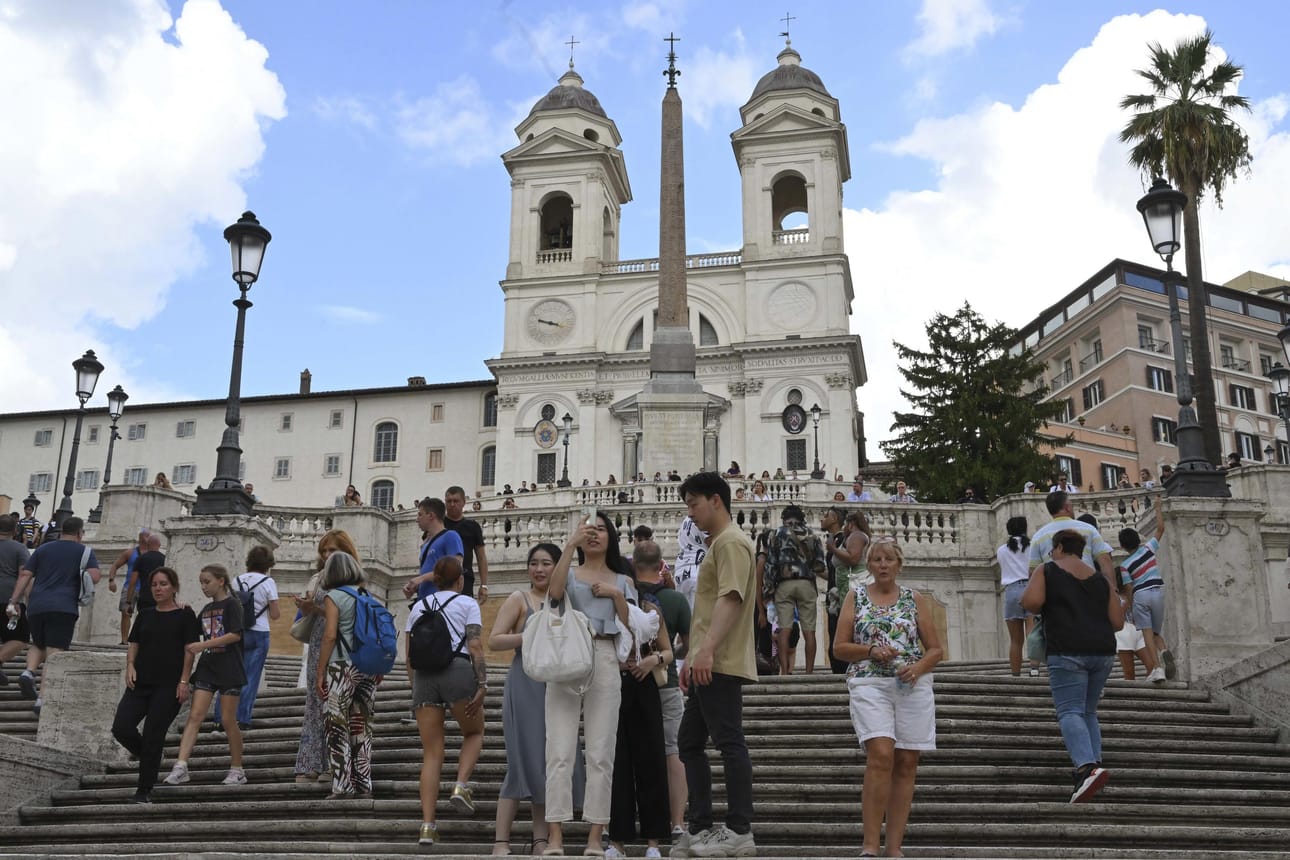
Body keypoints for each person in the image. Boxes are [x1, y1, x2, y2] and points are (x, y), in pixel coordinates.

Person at [834, 536, 943, 858]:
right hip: (869, 680)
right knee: (881, 753)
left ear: (899, 564)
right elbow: (839, 647)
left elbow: (936, 649)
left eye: (888, 559)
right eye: (877, 559)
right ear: (868, 565)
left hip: (911, 683)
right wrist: (870, 650)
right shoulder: (856, 597)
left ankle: (894, 847)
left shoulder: (915, 599)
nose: (883, 565)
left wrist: (918, 666)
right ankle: (870, 845)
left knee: (908, 761)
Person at [674, 471, 757, 858]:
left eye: (693, 504)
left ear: (716, 501)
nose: (690, 513)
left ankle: (740, 829)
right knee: (689, 742)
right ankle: (702, 826)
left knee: (728, 742)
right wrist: (694, 655)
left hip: (719, 661)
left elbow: (731, 598)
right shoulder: (722, 543)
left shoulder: (731, 543)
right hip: (707, 659)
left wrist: (705, 651)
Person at [544, 510, 636, 857]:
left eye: (601, 530)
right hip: (567, 657)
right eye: (589, 530)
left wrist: (616, 595)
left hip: (605, 654)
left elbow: (632, 627)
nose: (594, 534)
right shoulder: (568, 573)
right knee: (559, 750)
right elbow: (553, 594)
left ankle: (596, 837)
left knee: (601, 753)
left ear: (611, 537)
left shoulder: (622, 581)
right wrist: (569, 545)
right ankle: (555, 837)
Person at [488, 543, 583, 857]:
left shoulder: (566, 600)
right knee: (519, 763)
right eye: (534, 563)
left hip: (556, 685)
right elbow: (495, 639)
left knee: (548, 763)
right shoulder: (520, 599)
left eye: (546, 564)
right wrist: (532, 634)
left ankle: (540, 840)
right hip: (525, 683)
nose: (539, 570)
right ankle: (501, 841)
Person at [1021, 529, 1123, 803]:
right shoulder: (1100, 579)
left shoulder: (1047, 570)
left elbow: (1029, 602)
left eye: (1054, 549)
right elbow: (1118, 622)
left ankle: (1087, 768)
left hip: (1067, 648)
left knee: (1069, 711)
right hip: (1102, 651)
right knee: (1088, 711)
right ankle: (1094, 764)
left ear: (1059, 547)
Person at [409, 556, 487, 846]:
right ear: (460, 580)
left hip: (423, 678)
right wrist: (483, 682)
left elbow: (409, 653)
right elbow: (475, 644)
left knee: (431, 754)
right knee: (475, 731)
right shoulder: (467, 604)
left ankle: (427, 826)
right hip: (457, 670)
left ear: (436, 580)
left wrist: (414, 688)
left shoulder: (418, 607)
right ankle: (460, 786)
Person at [606, 541, 676, 859]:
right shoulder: (604, 612)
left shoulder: (650, 609)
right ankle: (617, 840)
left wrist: (652, 661)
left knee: (650, 761)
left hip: (644, 685)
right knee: (617, 764)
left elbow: (669, 652)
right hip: (613, 686)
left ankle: (653, 841)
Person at [111, 566, 201, 803]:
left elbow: (189, 651)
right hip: (140, 682)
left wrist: (184, 681)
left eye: (163, 584)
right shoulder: (146, 614)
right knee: (121, 727)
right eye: (154, 585)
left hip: (168, 686)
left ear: (173, 587)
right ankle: (151, 755)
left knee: (153, 734)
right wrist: (130, 665)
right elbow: (134, 643)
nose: (158, 588)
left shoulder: (185, 615)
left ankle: (144, 791)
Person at [163, 564, 248, 787]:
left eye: (207, 581)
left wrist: (204, 645)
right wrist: (181, 608)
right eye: (201, 582)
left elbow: (235, 635)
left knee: (228, 719)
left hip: (230, 667)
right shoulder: (208, 608)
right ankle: (181, 766)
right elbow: (194, 627)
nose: (203, 586)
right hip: (208, 667)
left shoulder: (233, 604)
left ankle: (237, 768)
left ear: (221, 581)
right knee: (195, 716)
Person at [7, 516, 100, 713]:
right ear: (79, 533)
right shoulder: (84, 551)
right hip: (63, 607)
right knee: (55, 653)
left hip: (37, 605)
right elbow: (95, 577)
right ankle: (43, 699)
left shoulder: (43, 549)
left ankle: (28, 671)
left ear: (60, 532)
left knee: (38, 644)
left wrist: (13, 601)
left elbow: (25, 574)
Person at [632, 540, 691, 845]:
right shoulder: (677, 601)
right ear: (661, 565)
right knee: (673, 752)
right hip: (664, 682)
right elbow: (686, 645)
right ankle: (677, 821)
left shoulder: (626, 594)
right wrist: (669, 653)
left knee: (631, 752)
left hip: (631, 683)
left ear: (634, 563)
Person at [292, 529, 359, 783]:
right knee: (314, 703)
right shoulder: (318, 578)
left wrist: (316, 609)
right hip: (319, 643)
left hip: (341, 646)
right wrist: (306, 606)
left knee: (335, 706)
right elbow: (317, 607)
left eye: (333, 550)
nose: (327, 555)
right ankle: (311, 762)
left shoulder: (353, 580)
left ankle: (334, 764)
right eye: (324, 550)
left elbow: (343, 618)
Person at [316, 550, 382, 799]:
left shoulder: (334, 596)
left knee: (336, 726)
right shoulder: (367, 595)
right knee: (362, 726)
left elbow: (330, 635)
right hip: (366, 667)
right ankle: (365, 785)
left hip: (341, 666)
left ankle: (342, 785)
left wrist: (320, 671)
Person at [763, 505, 825, 674]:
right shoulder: (812, 535)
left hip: (784, 584)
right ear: (801, 518)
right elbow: (819, 564)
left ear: (784, 518)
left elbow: (770, 564)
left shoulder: (776, 534)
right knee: (809, 630)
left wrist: (768, 590)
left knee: (784, 628)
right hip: (806, 583)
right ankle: (809, 672)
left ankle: (784, 670)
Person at [1118, 497, 1173, 681]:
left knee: (1147, 633)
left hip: (1141, 595)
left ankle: (1157, 668)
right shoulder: (1149, 549)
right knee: (1156, 633)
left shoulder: (1125, 565)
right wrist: (1158, 508)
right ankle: (1164, 650)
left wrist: (1133, 609)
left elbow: (1129, 587)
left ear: (1123, 546)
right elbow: (1160, 529)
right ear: (1137, 539)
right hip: (1157, 591)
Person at [227, 545, 281, 730]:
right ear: (267, 564)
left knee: (231, 675)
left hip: (237, 632)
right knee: (250, 676)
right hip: (259, 632)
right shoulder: (268, 582)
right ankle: (242, 718)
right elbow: (275, 614)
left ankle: (221, 717)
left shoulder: (236, 581)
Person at [1029, 492, 1114, 583]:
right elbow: (1105, 560)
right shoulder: (1089, 529)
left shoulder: (1038, 536)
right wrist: (1113, 589)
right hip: (1088, 586)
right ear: (1067, 507)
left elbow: (1033, 571)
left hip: (1055, 590)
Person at [997, 516, 1038, 678]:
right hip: (1031, 587)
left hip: (1012, 590)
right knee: (1032, 633)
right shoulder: (1032, 546)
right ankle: (1034, 668)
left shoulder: (1001, 550)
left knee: (1015, 640)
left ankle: (1015, 673)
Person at [404, 498, 464, 601]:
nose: (417, 519)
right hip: (424, 601)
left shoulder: (450, 536)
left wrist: (421, 579)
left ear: (431, 516)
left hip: (442, 601)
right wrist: (415, 586)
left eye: (420, 514)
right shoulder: (426, 544)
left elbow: (455, 569)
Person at [0, 515, 32, 685]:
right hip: (8, 598)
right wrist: (24, 600)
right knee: (20, 638)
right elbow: (24, 575)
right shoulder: (19, 549)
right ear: (15, 530)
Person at [444, 485, 490, 602]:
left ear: (464, 502)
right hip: (441, 580)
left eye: (456, 501)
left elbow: (481, 557)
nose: (452, 504)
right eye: (449, 501)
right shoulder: (438, 524)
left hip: (465, 579)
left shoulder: (473, 526)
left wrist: (484, 585)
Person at [107, 529, 149, 645]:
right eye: (144, 536)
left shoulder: (152, 554)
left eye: (148, 536)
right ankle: (124, 640)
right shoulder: (130, 553)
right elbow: (115, 565)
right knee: (126, 612)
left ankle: (140, 640)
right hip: (129, 587)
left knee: (145, 614)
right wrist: (111, 580)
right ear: (140, 537)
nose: (146, 538)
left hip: (145, 588)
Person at [672, 516, 708, 608]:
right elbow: (713, 542)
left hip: (680, 572)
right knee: (697, 617)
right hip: (698, 573)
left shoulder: (686, 521)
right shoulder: (704, 519)